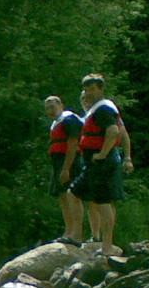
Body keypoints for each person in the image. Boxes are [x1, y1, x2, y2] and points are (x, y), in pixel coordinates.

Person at [69, 73, 127, 256]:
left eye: (92, 89)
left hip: (102, 162)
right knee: (73, 192)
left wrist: (102, 153)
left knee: (103, 202)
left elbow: (113, 131)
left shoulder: (104, 109)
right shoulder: (94, 110)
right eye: (86, 89)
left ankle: (107, 247)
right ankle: (76, 236)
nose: (88, 93)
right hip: (92, 163)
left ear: (100, 89)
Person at [43, 95, 84, 244]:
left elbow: (73, 143)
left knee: (71, 195)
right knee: (62, 196)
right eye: (47, 108)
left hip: (69, 161)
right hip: (57, 162)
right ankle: (68, 231)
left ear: (60, 104)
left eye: (52, 106)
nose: (50, 110)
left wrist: (66, 168)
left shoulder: (69, 119)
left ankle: (77, 234)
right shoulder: (55, 123)